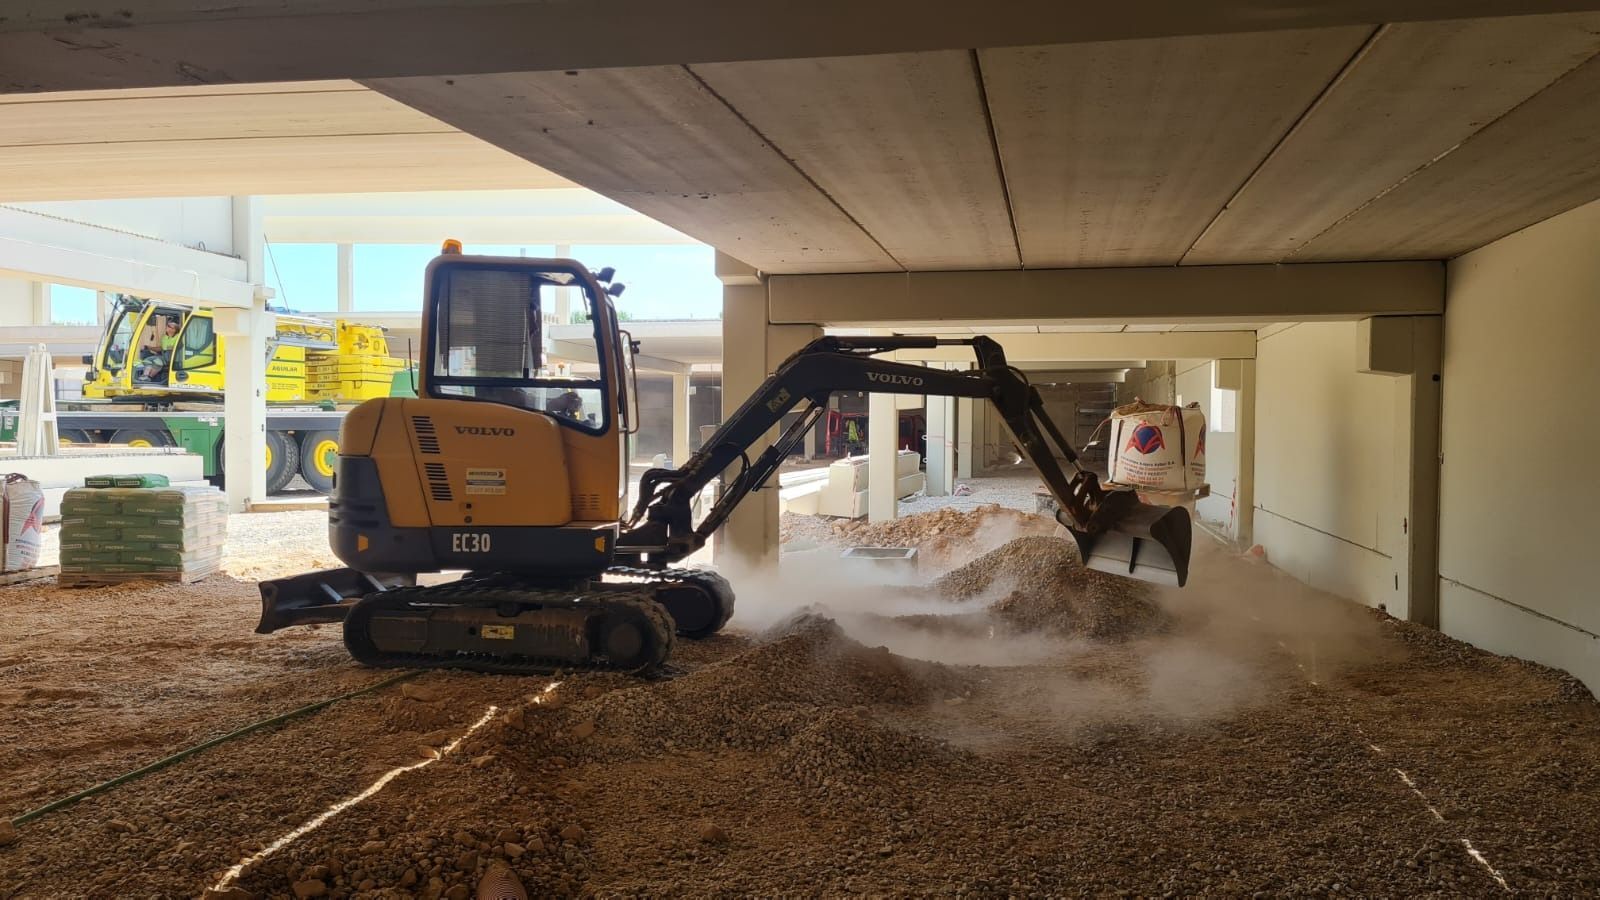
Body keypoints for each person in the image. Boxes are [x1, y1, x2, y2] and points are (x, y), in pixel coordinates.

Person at [138, 317, 179, 382]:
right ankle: (145, 376)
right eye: (167, 325)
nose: (166, 326)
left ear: (174, 330)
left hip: (172, 358)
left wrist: (171, 348)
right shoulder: (164, 337)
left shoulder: (178, 337)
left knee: (157, 362)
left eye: (169, 326)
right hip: (163, 356)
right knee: (147, 360)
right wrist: (149, 347)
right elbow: (161, 348)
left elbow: (179, 347)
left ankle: (149, 377)